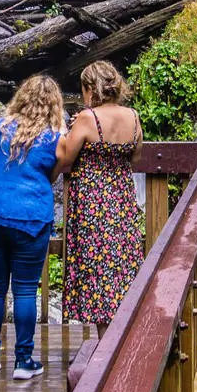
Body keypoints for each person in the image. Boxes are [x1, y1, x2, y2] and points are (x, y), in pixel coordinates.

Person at [0, 74, 64, 380]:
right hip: (29, 216)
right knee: (25, 290)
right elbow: (54, 173)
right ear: (54, 105)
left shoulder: (0, 127)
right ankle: (23, 361)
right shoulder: (55, 137)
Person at [56, 60, 145, 335]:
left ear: (90, 89)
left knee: (96, 270)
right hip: (121, 198)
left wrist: (62, 130)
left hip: (93, 202)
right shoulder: (133, 115)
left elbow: (66, 156)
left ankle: (105, 344)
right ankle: (120, 336)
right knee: (121, 265)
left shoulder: (87, 118)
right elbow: (136, 156)